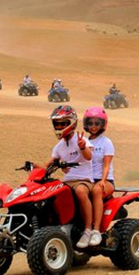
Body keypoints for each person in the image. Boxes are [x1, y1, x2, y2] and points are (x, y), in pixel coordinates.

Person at [34, 105, 95, 248]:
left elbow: (88, 157)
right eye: (57, 123)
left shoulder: (83, 141)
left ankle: (88, 230)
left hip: (83, 180)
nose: (59, 126)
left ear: (72, 123)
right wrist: (35, 166)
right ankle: (63, 225)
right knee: (52, 194)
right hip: (67, 181)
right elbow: (48, 164)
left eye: (63, 123)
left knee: (80, 192)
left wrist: (82, 147)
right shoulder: (59, 146)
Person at [83, 106, 115, 246]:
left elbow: (106, 164)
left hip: (105, 180)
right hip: (88, 179)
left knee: (96, 190)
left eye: (97, 123)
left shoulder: (106, 142)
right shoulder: (83, 141)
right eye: (90, 123)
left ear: (102, 125)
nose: (93, 126)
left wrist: (102, 180)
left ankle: (95, 230)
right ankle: (83, 229)